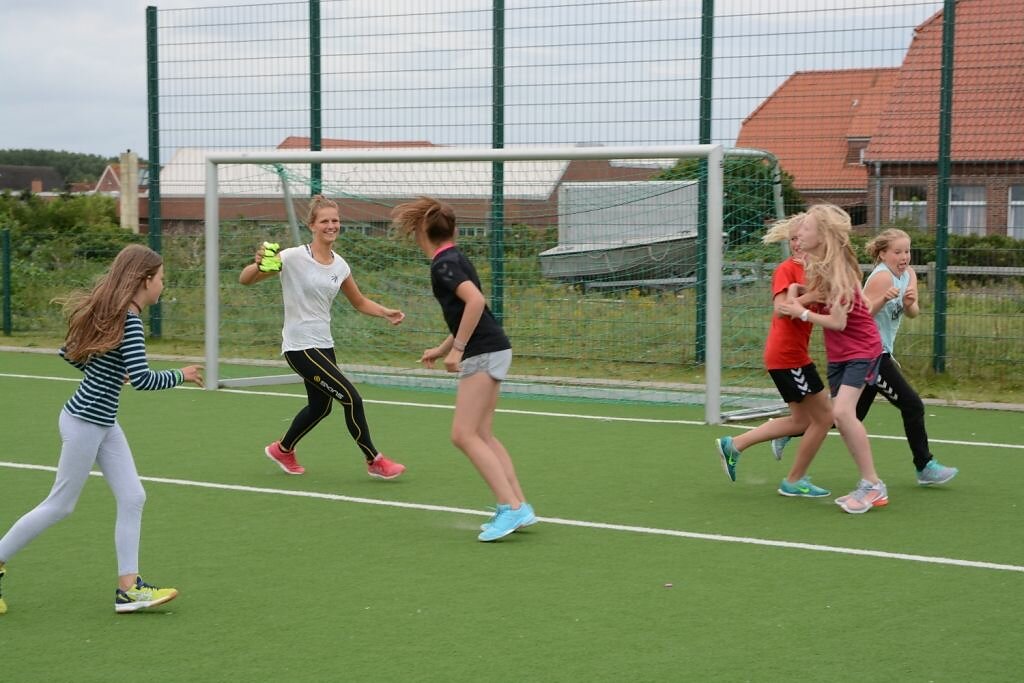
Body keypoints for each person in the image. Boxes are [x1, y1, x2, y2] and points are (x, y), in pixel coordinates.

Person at [0, 244, 203, 615]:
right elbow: (142, 380)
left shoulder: (114, 313)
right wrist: (182, 374)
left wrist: (106, 373)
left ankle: (129, 589)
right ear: (145, 280)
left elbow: (68, 352)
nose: (163, 286)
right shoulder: (129, 321)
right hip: (85, 423)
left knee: (133, 496)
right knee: (60, 505)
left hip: (101, 421)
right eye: (161, 279)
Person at [391, 196, 536, 542]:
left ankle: (510, 506)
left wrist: (456, 350)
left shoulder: (443, 265)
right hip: (493, 347)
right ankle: (518, 504)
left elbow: (475, 303)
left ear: (419, 232)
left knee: (463, 434)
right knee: (482, 434)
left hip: (483, 351)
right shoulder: (454, 258)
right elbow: (466, 312)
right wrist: (443, 348)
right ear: (453, 230)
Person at [239, 195, 406, 480]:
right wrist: (258, 265)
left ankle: (283, 449)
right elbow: (246, 279)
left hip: (324, 345)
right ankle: (374, 459)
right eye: (325, 221)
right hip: (299, 346)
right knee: (352, 399)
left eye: (335, 220)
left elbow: (359, 301)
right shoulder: (292, 257)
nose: (331, 225)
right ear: (312, 225)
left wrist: (385, 312)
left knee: (320, 406)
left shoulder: (340, 265)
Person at [777, 203, 888, 514]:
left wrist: (801, 311)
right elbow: (803, 301)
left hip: (862, 349)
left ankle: (873, 485)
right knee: (841, 416)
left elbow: (838, 322)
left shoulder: (838, 270)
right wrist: (798, 293)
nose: (800, 234)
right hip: (840, 354)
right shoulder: (817, 265)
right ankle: (869, 484)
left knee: (841, 412)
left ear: (823, 235)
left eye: (807, 229)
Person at [715, 214, 835, 498]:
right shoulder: (786, 269)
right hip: (788, 356)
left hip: (793, 355)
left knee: (802, 421)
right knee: (825, 417)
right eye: (792, 238)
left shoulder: (817, 269)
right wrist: (807, 295)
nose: (797, 243)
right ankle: (795, 479)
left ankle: (735, 445)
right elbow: (782, 308)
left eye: (801, 236)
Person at [858, 229, 958, 485]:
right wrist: (883, 298)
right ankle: (924, 467)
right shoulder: (881, 279)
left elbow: (912, 312)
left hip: (882, 353)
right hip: (870, 354)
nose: (904, 257)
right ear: (882, 254)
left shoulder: (909, 274)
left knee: (849, 417)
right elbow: (863, 315)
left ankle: (794, 428)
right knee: (912, 405)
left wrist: (908, 302)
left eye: (907, 251)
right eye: (897, 252)